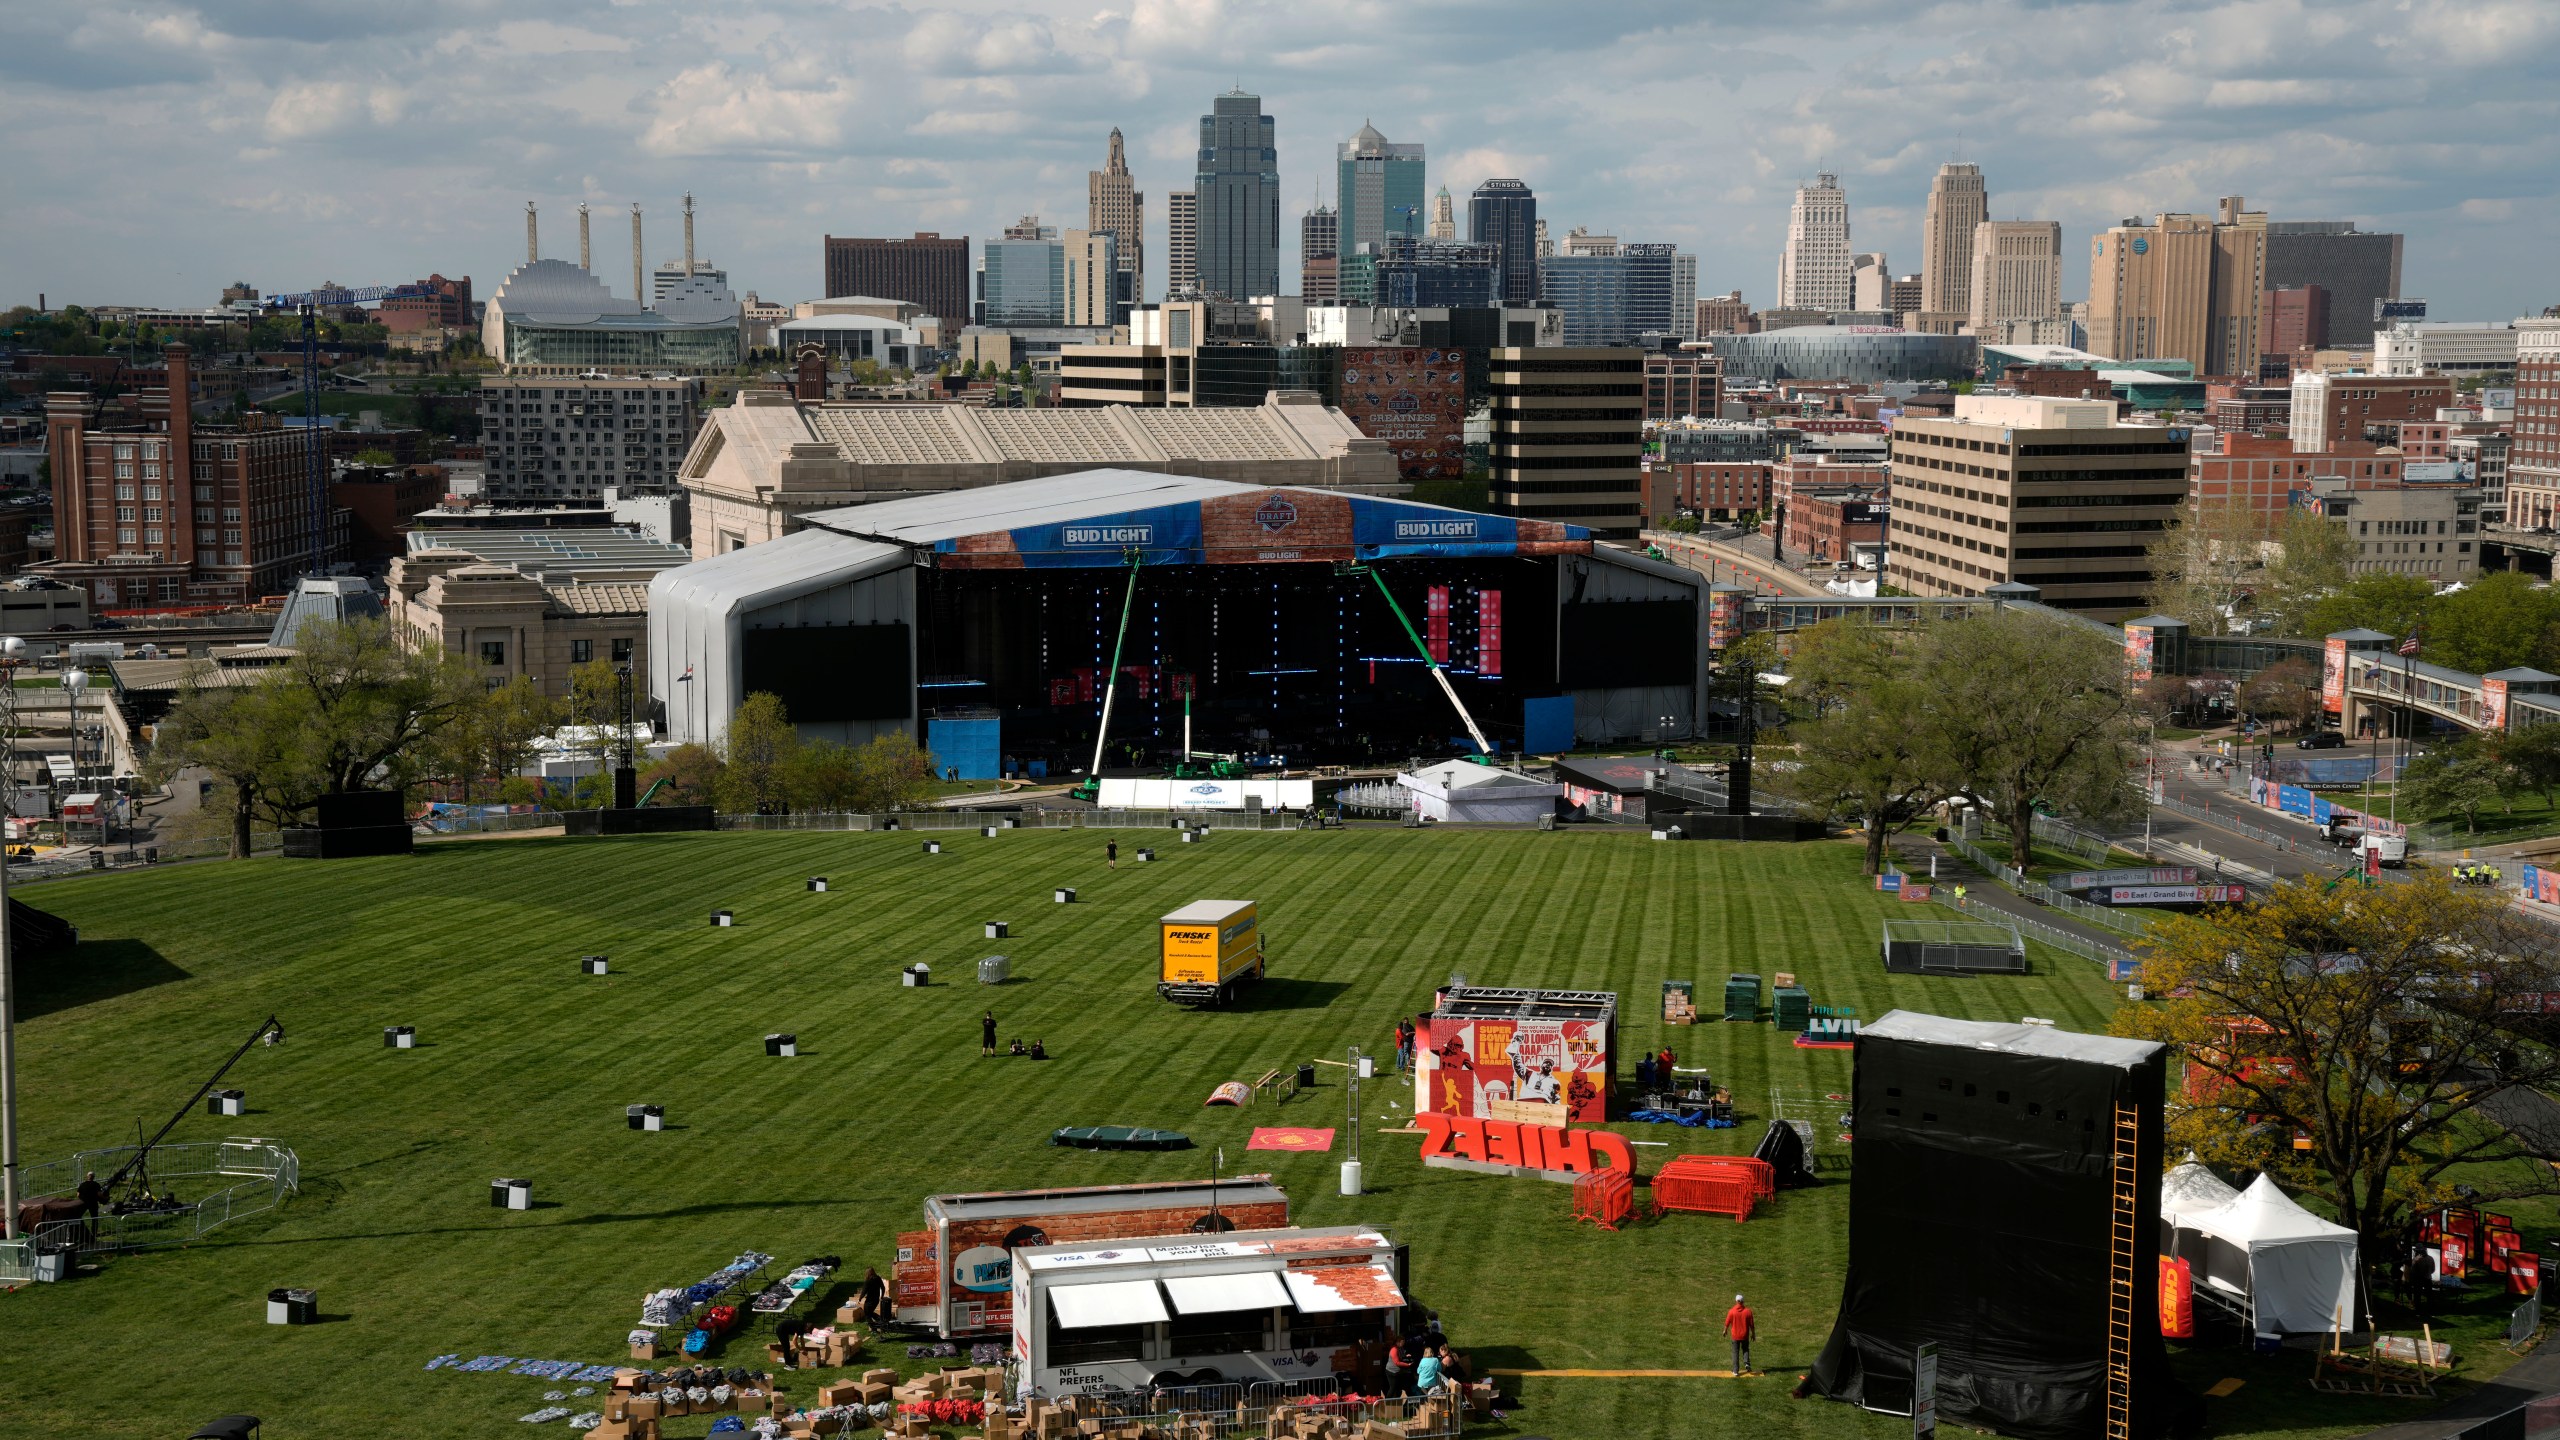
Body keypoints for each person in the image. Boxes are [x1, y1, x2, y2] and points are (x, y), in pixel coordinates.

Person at [1725, 1294, 1755, 1377]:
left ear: (1736, 1301)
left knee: (1735, 1353)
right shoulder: (1748, 1311)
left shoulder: (1732, 1311)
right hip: (1745, 1335)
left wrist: (1725, 1330)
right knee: (1745, 1349)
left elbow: (1727, 1321)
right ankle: (1747, 1363)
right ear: (1743, 1301)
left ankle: (1735, 1371)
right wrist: (1753, 1334)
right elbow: (1751, 1325)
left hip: (1735, 1335)